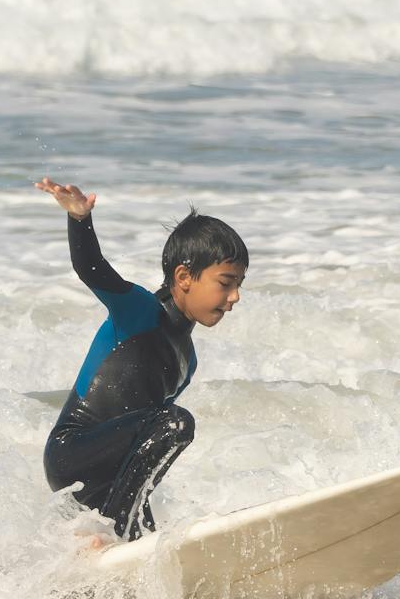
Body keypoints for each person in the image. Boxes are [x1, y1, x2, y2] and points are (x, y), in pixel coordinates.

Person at [37, 177, 247, 541]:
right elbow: (92, 268)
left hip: (112, 475)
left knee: (152, 534)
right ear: (184, 277)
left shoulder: (188, 361)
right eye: (225, 282)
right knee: (175, 424)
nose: (235, 297)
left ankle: (114, 545)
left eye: (239, 284)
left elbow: (144, 454)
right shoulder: (139, 311)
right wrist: (79, 218)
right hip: (74, 454)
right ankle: (117, 535)